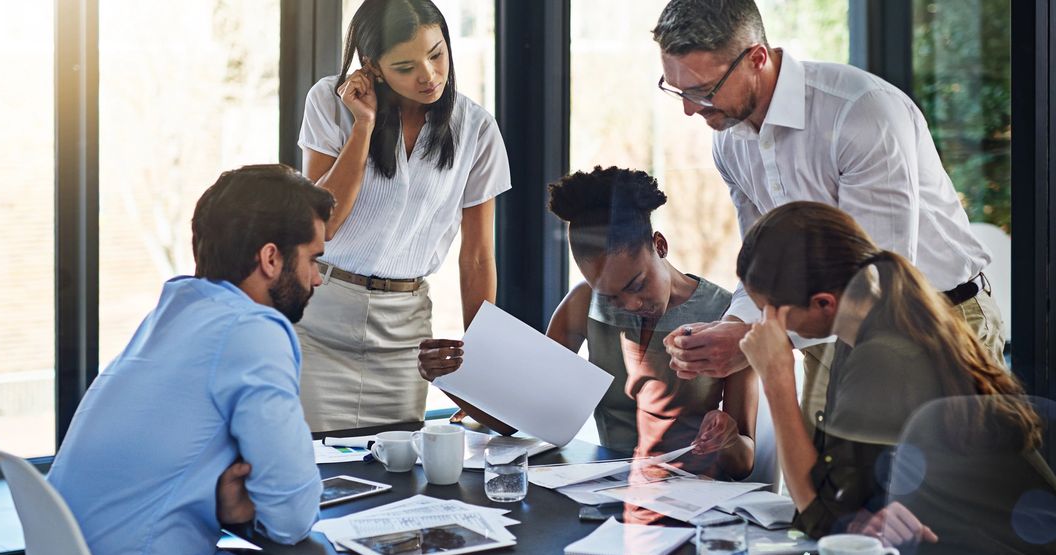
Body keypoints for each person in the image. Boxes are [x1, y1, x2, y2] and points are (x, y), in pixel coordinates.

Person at [650, 0, 1003, 430]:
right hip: (821, 332)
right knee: (817, 490)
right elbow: (762, 267)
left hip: (933, 321)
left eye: (703, 91)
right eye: (677, 90)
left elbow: (878, 282)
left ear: (757, 58)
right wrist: (732, 327)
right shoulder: (729, 141)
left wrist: (753, 342)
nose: (690, 109)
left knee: (937, 491)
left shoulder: (860, 113)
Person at [47, 166, 357, 555]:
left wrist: (228, 509)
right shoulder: (252, 329)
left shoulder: (172, 314)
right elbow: (291, 518)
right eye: (314, 259)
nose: (317, 279)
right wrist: (250, 507)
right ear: (271, 258)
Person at [737, 202, 1054, 555]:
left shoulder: (885, 356)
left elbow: (823, 519)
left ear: (824, 302)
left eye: (769, 311)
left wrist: (776, 378)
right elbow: (836, 494)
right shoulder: (866, 329)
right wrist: (855, 515)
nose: (764, 324)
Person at [420, 167, 757, 479]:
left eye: (637, 285)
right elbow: (521, 418)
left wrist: (726, 437)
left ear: (660, 245)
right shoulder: (583, 303)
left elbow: (743, 463)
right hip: (603, 488)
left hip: (694, 497)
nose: (630, 305)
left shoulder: (729, 317)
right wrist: (449, 378)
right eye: (609, 296)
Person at [297, 0, 510, 432]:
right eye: (406, 65)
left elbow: (477, 258)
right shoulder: (329, 102)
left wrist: (480, 370)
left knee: (397, 474)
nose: (429, 76)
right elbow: (323, 225)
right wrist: (363, 125)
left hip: (405, 332)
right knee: (315, 471)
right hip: (321, 322)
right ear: (373, 67)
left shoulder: (477, 129)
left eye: (436, 54)